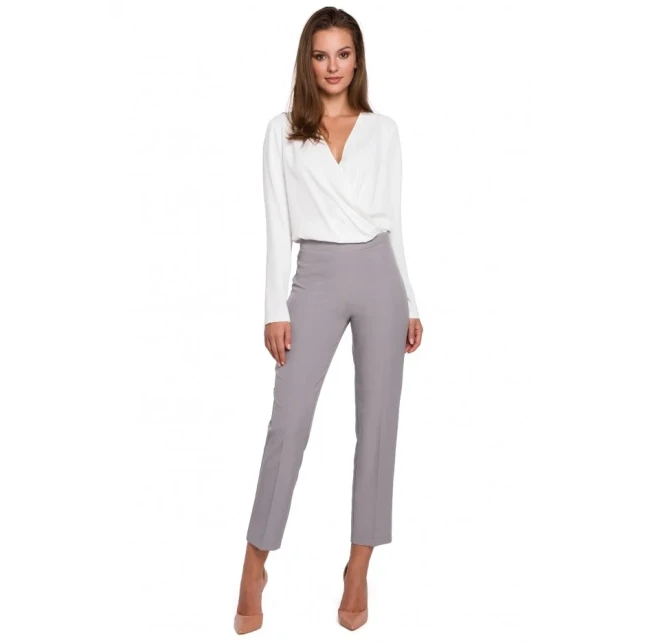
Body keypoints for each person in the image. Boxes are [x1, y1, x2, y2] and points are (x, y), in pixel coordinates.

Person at [234, 7, 424, 634]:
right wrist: (273, 309)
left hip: (379, 276)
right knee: (288, 422)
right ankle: (255, 561)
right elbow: (275, 223)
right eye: (321, 55)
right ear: (307, 61)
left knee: (378, 425)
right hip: (313, 277)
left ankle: (359, 565)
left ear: (357, 59)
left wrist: (410, 300)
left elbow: (394, 219)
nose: (333, 66)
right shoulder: (283, 131)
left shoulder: (384, 131)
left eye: (343, 54)